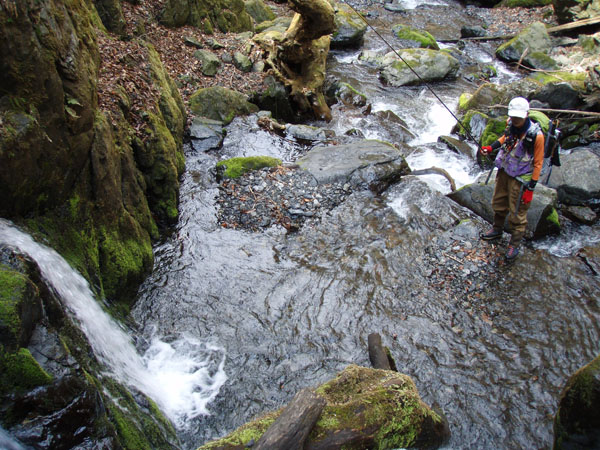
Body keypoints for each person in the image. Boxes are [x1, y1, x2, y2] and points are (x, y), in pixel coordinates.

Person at [478, 97, 545, 260]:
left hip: (521, 179)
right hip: (504, 171)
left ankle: (514, 244)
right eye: (513, 117)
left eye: (518, 118)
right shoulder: (511, 125)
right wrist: (491, 147)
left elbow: (538, 163)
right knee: (498, 203)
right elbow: (505, 138)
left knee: (517, 214)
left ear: (526, 115)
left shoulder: (537, 136)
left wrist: (531, 188)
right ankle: (497, 229)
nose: (515, 120)